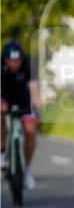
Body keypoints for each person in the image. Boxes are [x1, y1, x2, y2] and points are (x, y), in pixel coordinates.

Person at [1, 41, 42, 190]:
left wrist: (38, 109)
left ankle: (27, 170)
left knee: (30, 132)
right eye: (11, 60)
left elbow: (34, 89)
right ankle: (2, 152)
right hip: (4, 98)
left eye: (17, 60)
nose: (14, 64)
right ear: (5, 59)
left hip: (23, 99)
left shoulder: (27, 65)